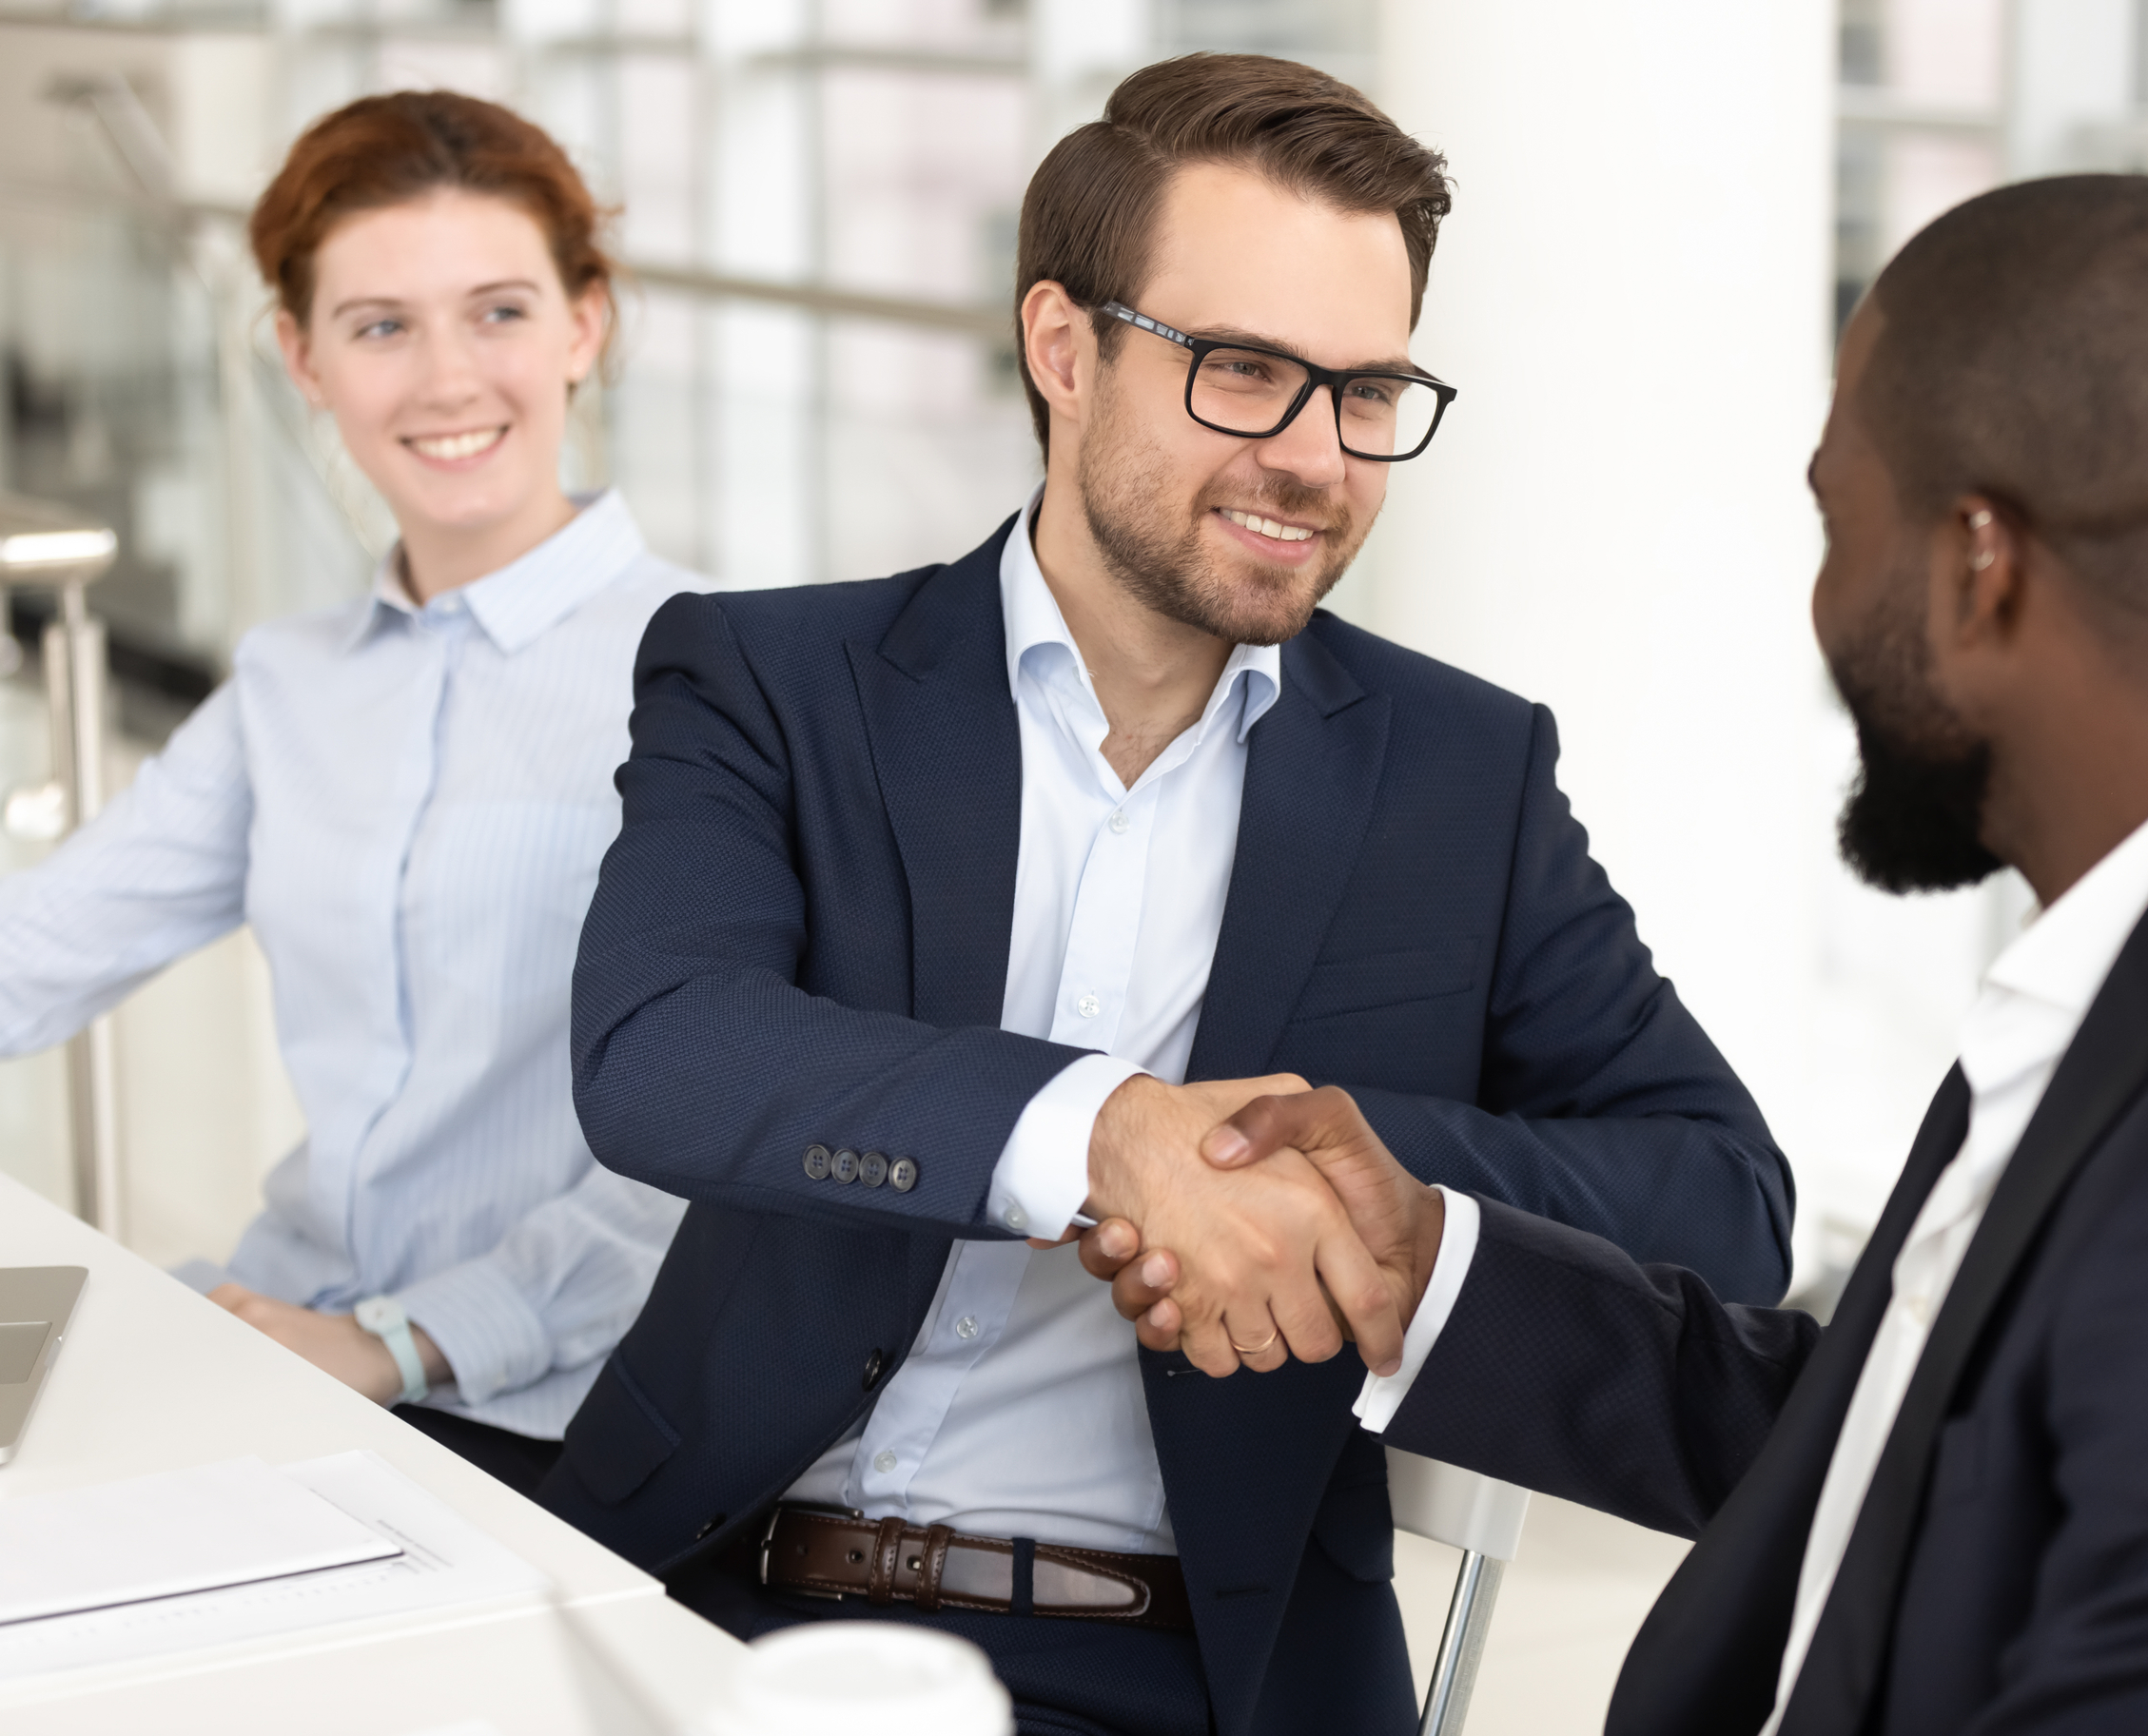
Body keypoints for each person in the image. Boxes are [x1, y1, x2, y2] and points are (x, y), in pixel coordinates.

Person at [1090, 175, 2148, 1734]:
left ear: (1976, 568)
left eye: (1834, 522)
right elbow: (1907, 1450)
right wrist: (1431, 1266)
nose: (1818, 607)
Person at [537, 51, 1793, 1736]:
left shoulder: (1458, 775)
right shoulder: (773, 678)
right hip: (721, 1597)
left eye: (1364, 392)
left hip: (1196, 1669)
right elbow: (662, 1048)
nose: (1315, 457)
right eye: (1245, 371)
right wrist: (1104, 1129)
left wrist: (1316, 1168)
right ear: (1062, 348)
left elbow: (1726, 1199)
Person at [0, 91, 702, 1496]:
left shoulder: (716, 672)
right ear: (302, 359)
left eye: (496, 311)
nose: (444, 379)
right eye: (379, 326)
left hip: (547, 1402)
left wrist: (404, 1342)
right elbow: (41, 945)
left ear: (585, 325)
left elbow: (711, 1154)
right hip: (272, 1331)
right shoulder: (288, 684)